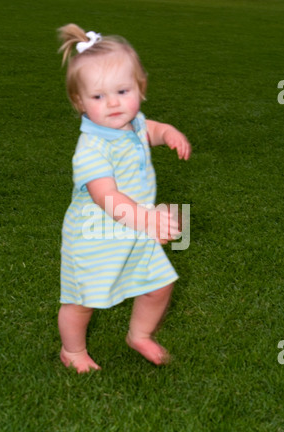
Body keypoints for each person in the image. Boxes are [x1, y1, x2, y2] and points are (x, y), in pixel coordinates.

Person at [57, 24, 191, 373]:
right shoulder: (91, 149)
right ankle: (72, 351)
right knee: (82, 301)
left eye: (122, 90)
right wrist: (147, 219)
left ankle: (139, 334)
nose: (114, 102)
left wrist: (168, 133)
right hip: (94, 237)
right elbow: (106, 196)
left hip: (134, 232)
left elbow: (149, 130)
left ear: (140, 89)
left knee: (159, 286)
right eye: (99, 96)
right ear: (79, 102)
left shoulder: (132, 124)